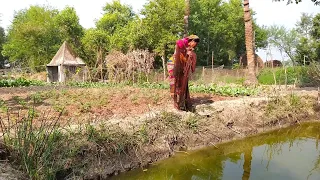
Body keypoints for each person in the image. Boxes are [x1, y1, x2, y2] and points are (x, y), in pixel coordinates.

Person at [168, 34, 199, 111]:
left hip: (181, 67)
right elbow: (179, 43)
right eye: (194, 42)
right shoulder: (182, 43)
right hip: (173, 64)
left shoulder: (191, 50)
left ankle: (181, 102)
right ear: (190, 40)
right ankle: (175, 102)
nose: (195, 45)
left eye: (196, 44)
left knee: (182, 83)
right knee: (174, 82)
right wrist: (186, 51)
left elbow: (188, 61)